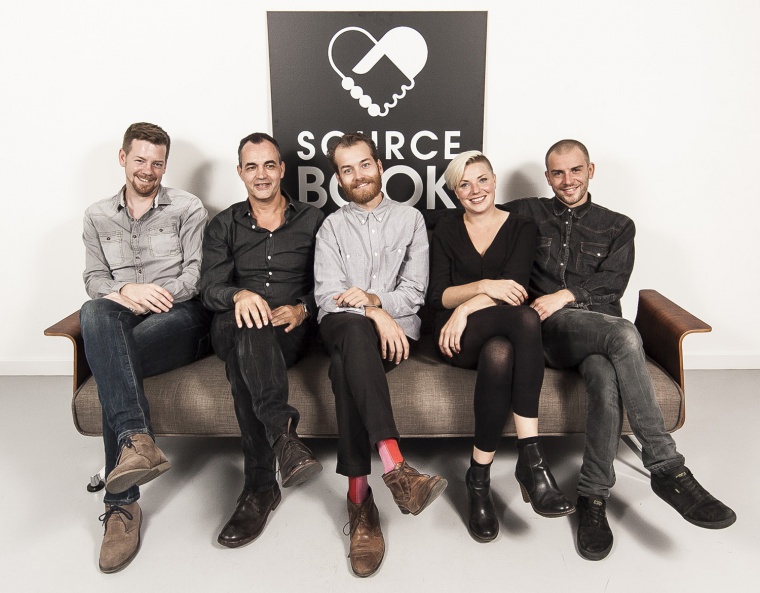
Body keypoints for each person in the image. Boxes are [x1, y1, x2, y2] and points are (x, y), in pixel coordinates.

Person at [505, 139, 736, 561]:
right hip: (552, 332)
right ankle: (667, 467)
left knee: (605, 374)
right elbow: (468, 210)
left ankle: (593, 497)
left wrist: (567, 294)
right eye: (558, 173)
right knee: (626, 335)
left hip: (600, 331)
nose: (567, 180)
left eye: (575, 170)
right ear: (547, 177)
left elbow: (613, 284)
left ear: (590, 170)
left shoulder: (617, 226)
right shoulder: (527, 213)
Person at [80, 122, 212, 573]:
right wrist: (127, 291)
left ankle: (120, 503)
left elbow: (196, 276)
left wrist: (155, 295)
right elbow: (94, 279)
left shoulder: (187, 207)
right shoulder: (97, 215)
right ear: (123, 158)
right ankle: (136, 450)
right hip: (122, 310)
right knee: (94, 312)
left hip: (180, 316)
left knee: (110, 358)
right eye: (140, 159)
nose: (148, 170)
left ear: (165, 165)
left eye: (157, 163)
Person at [315, 132, 447, 577]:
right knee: (352, 329)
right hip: (343, 326)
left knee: (343, 368)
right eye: (346, 169)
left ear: (380, 166)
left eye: (364, 164)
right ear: (338, 179)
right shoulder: (331, 227)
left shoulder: (410, 220)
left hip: (392, 337)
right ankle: (397, 466)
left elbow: (415, 293)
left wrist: (375, 302)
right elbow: (328, 297)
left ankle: (359, 501)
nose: (358, 176)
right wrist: (373, 312)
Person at [429, 151, 574, 543]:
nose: (475, 190)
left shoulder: (522, 227)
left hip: (492, 326)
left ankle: (478, 478)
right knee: (525, 319)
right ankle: (532, 458)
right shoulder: (445, 228)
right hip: (454, 335)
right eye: (464, 184)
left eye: (482, 179)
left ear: (494, 181)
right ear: (455, 192)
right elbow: (438, 296)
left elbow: (515, 290)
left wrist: (467, 307)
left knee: (501, 352)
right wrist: (480, 289)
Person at [200, 132, 324, 549]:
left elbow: (328, 283)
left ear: (282, 169)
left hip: (288, 332)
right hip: (231, 324)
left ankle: (260, 487)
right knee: (249, 321)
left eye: (269, 164)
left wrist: (302, 308)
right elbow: (209, 289)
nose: (262, 174)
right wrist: (240, 295)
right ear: (240, 172)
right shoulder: (224, 224)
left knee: (244, 362)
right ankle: (283, 436)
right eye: (251, 166)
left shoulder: (313, 219)